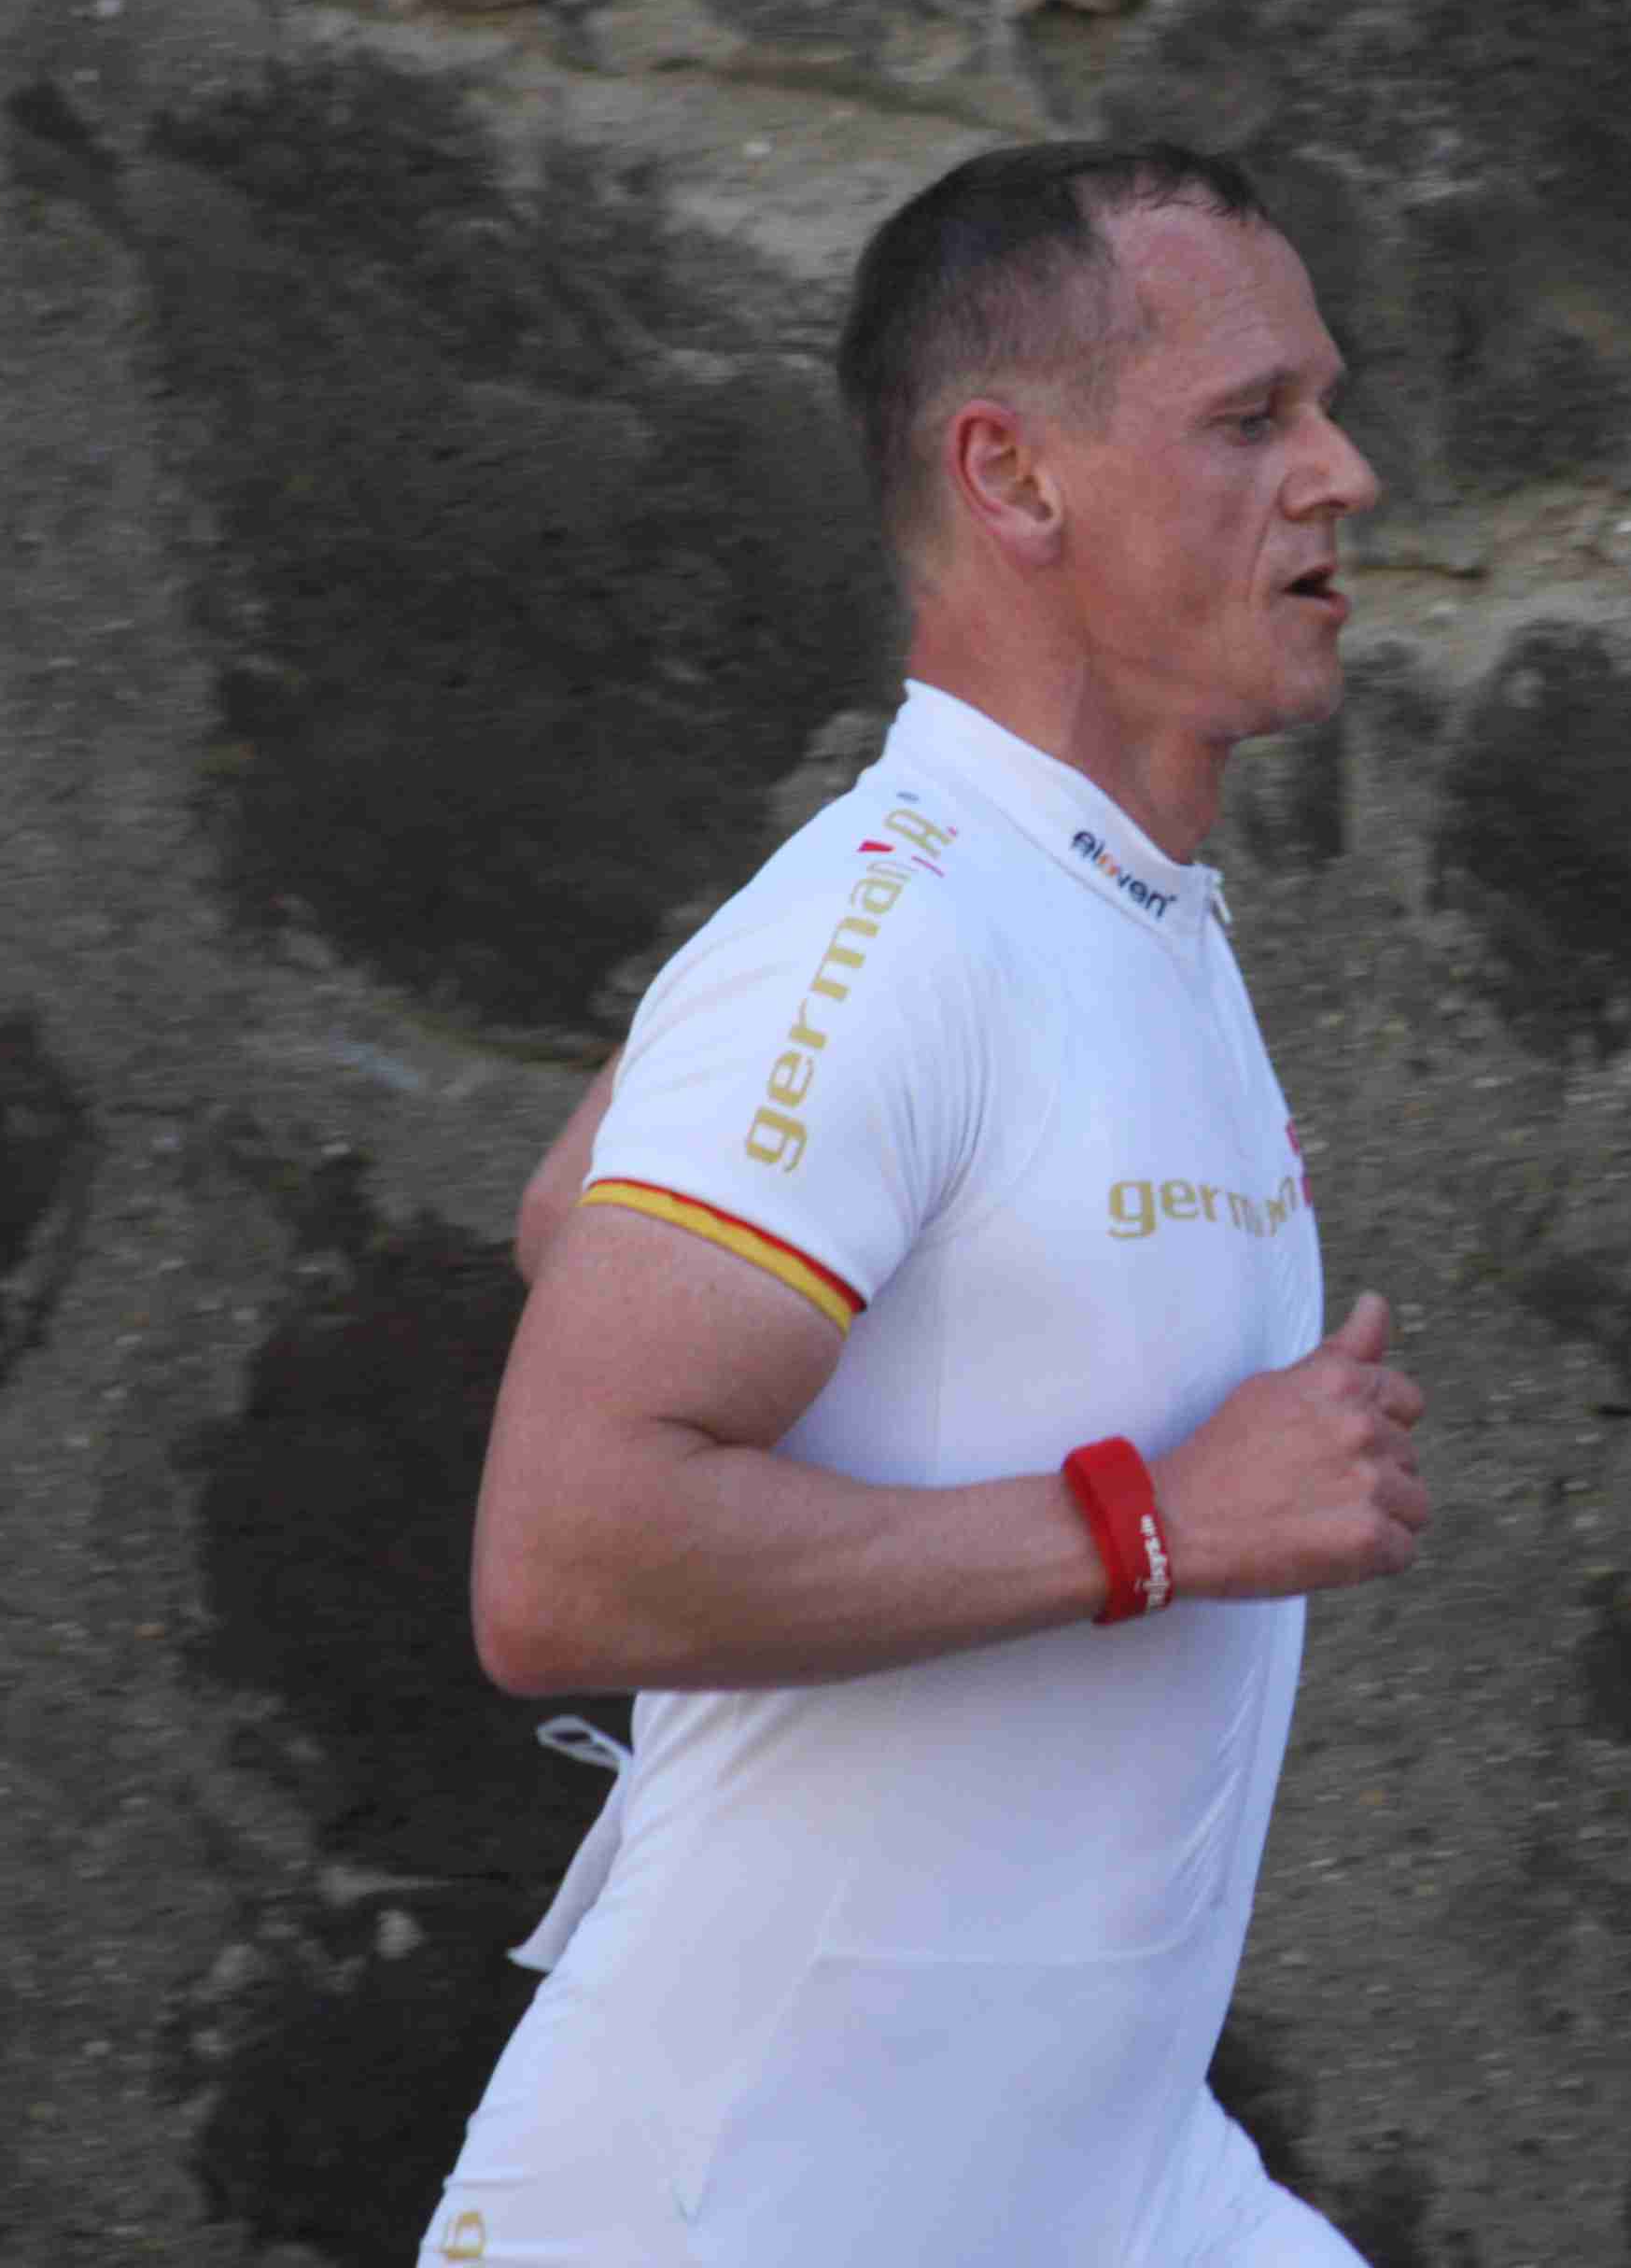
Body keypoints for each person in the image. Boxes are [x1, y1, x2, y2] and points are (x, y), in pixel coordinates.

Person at [415, 141, 1429, 2267]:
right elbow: (560, 1560)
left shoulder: (1088, 913)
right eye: (1252, 418)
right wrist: (1162, 1525)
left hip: (1108, 2190)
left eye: (1323, 408)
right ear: (1014, 477)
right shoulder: (894, 940)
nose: (1342, 475)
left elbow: (572, 1217)